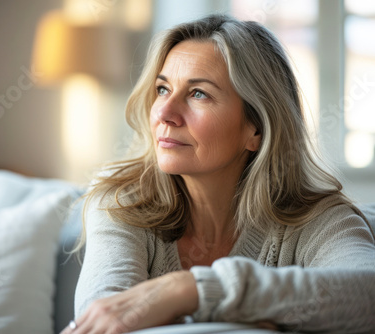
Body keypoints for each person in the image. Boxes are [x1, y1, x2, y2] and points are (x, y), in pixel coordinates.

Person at [61, 14, 375, 334]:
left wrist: (191, 290)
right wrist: (254, 317)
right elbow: (102, 319)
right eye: (162, 88)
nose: (165, 114)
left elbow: (368, 294)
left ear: (257, 129)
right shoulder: (121, 200)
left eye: (199, 93)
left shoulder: (316, 216)